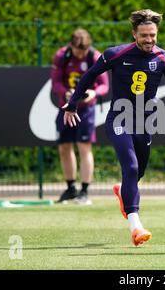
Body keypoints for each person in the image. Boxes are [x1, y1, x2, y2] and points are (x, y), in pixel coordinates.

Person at [63, 9, 165, 246]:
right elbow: (88, 76)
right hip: (119, 119)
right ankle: (136, 227)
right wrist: (72, 105)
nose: (149, 39)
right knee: (130, 167)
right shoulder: (116, 54)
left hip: (145, 121)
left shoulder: (164, 58)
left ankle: (123, 191)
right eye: (144, 35)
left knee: (137, 173)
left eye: (153, 34)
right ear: (134, 34)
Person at [51, 28, 109, 205]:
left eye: (83, 51)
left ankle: (84, 191)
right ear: (71, 46)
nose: (80, 54)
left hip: (86, 110)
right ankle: (70, 188)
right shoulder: (62, 56)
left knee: (84, 148)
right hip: (67, 107)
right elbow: (55, 83)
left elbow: (104, 85)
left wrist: (94, 93)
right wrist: (67, 93)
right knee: (64, 148)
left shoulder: (94, 56)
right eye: (78, 51)